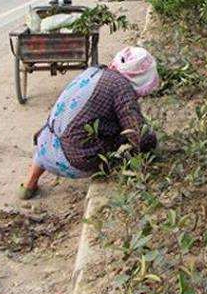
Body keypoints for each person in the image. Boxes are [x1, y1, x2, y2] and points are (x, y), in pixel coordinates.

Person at [18, 47, 160, 199]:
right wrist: (152, 143)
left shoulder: (94, 71)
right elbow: (139, 136)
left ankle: (29, 185)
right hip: (74, 162)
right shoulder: (121, 88)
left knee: (68, 125)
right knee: (122, 135)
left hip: (45, 144)